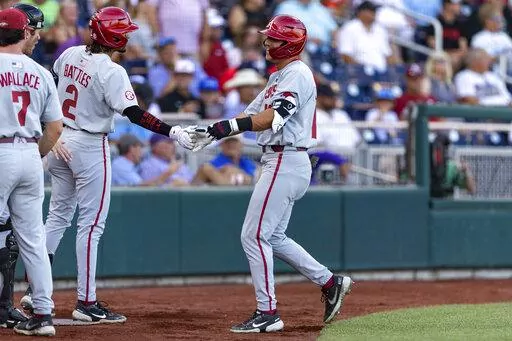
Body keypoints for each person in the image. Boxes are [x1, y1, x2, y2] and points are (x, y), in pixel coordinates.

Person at [20, 6, 198, 324]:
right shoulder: (112, 71)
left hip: (60, 141)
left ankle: (36, 292)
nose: (128, 36)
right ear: (113, 36)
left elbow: (53, 90)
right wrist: (172, 130)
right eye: (124, 32)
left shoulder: (71, 53)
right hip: (89, 144)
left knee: (57, 218)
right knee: (91, 226)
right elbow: (134, 113)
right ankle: (86, 301)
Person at [193, 14, 353, 333]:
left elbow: (275, 118)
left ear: (290, 43)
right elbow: (252, 114)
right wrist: (212, 131)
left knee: (253, 235)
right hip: (282, 161)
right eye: (269, 37)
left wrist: (227, 128)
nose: (267, 42)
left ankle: (268, 312)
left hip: (286, 159)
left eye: (274, 38)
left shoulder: (296, 73)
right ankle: (329, 281)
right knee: (273, 237)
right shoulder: (278, 76)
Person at [0, 8, 63, 336]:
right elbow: (54, 128)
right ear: (24, 33)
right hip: (29, 152)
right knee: (34, 239)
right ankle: (43, 314)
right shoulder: (40, 71)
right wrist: (31, 154)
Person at [192, 135, 258, 186]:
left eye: (234, 142)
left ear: (241, 144)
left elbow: (253, 176)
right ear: (222, 145)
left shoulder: (246, 162)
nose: (231, 145)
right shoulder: (214, 163)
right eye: (228, 142)